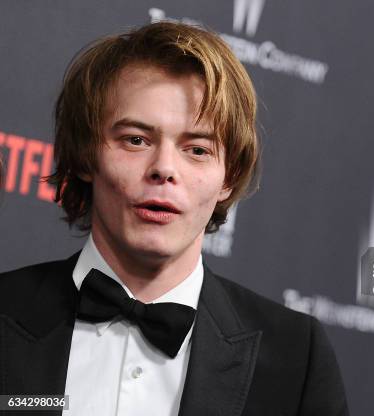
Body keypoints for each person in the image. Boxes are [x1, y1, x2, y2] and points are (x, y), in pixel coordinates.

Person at [0, 22, 349, 416]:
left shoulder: (296, 357)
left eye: (197, 149)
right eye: (136, 140)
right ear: (85, 155)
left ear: (228, 178)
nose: (164, 168)